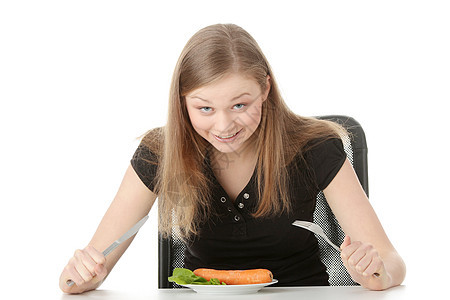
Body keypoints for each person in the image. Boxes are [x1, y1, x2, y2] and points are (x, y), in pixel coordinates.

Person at [59, 23, 406, 294]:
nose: (224, 126)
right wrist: (79, 277)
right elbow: (87, 270)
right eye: (205, 108)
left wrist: (377, 273)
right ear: (183, 102)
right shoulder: (159, 153)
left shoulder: (313, 147)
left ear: (265, 89)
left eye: (240, 105)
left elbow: (391, 262)